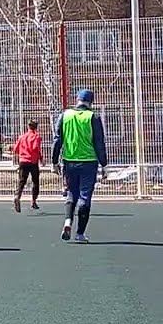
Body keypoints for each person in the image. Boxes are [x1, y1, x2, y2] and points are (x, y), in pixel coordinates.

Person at [51, 89, 108, 243]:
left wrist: (54, 161)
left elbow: (57, 140)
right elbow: (99, 143)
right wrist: (104, 164)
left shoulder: (65, 115)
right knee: (85, 196)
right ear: (91, 102)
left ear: (77, 100)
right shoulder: (93, 117)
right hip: (89, 162)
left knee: (71, 193)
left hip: (69, 161)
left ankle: (67, 221)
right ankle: (80, 233)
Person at [12, 119, 43, 213]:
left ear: (28, 126)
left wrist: (22, 153)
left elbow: (15, 149)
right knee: (35, 182)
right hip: (33, 162)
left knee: (22, 181)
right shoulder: (36, 137)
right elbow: (36, 148)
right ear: (36, 127)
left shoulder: (22, 137)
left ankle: (17, 196)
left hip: (23, 161)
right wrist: (41, 159)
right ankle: (33, 201)